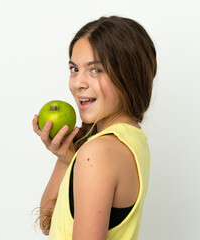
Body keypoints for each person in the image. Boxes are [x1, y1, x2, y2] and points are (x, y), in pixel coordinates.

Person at [32, 15, 157, 240]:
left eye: (95, 70)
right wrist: (64, 160)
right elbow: (48, 224)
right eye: (74, 69)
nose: (78, 83)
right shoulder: (132, 141)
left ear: (127, 76)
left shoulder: (98, 153)